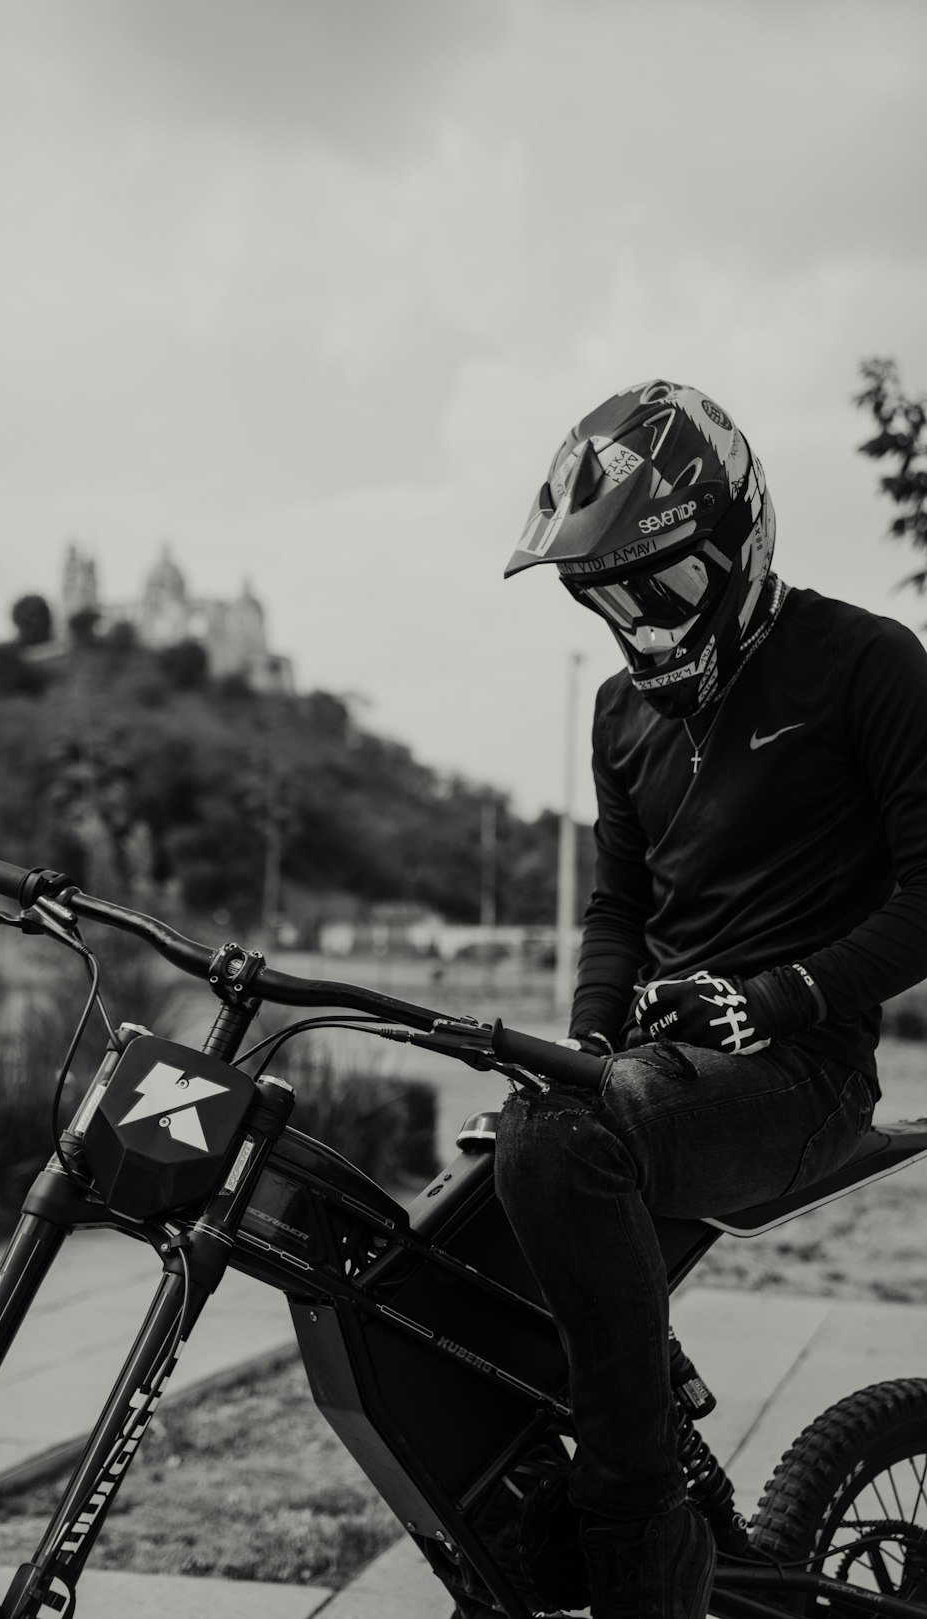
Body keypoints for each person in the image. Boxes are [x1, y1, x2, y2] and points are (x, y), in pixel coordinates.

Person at [494, 378, 927, 1619]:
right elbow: (618, 910)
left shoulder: (866, 664)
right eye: (603, 594)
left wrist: (777, 999)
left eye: (664, 584)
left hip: (806, 1072)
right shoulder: (620, 713)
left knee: (557, 1143)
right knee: (478, 1195)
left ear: (742, 539)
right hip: (656, 1072)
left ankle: (635, 1538)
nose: (637, 621)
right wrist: (582, 1039)